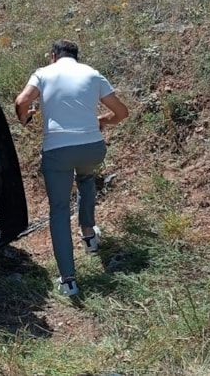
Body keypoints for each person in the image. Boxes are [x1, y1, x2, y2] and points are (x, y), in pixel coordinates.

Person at [14, 39, 128, 296]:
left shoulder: (43, 74)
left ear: (53, 56)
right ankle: (89, 234)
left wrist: (25, 118)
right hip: (92, 148)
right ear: (76, 56)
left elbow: (22, 101)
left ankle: (69, 280)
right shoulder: (92, 74)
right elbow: (121, 113)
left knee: (60, 209)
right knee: (86, 177)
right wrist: (102, 120)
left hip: (58, 151)